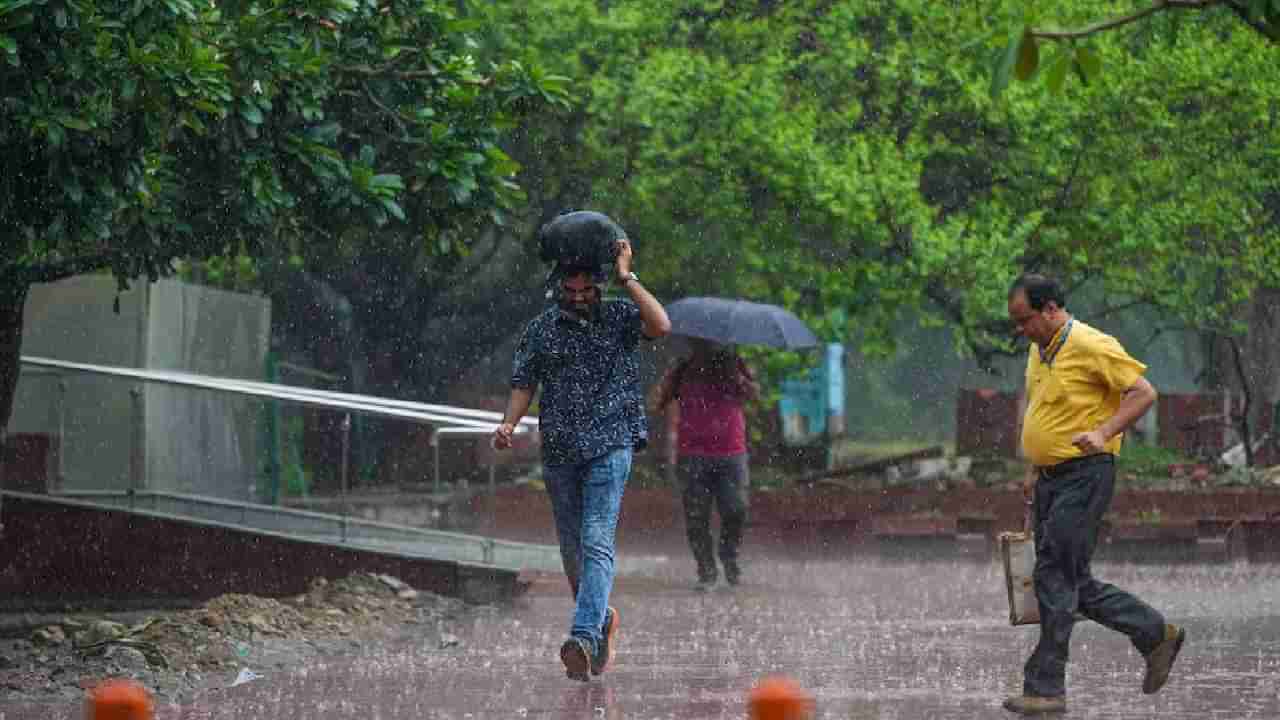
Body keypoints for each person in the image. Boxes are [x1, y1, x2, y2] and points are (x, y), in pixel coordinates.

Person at [493, 222, 670, 682]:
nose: (577, 296)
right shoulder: (541, 329)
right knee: (572, 549)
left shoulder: (620, 317)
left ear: (599, 285)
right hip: (560, 448)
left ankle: (584, 635)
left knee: (596, 539)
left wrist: (628, 276)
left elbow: (661, 324)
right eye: (568, 289)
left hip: (611, 442)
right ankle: (601, 620)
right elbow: (523, 382)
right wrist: (509, 423)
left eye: (585, 288)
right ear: (557, 287)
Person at [1002, 273, 1186, 715]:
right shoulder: (1037, 350)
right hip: (1051, 477)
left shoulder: (1091, 344)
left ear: (1050, 309)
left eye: (1024, 318)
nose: (1019, 329)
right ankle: (1155, 633)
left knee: (1053, 574)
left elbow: (1143, 393)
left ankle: (1045, 687)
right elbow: (1046, 410)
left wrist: (1104, 431)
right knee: (1070, 581)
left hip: (1085, 475)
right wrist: (1034, 465)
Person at [651, 338, 757, 590]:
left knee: (737, 509)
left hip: (731, 452)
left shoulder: (736, 364)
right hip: (693, 454)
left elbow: (754, 395)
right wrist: (670, 380)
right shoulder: (683, 368)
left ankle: (728, 555)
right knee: (696, 516)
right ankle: (706, 570)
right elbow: (656, 403)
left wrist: (738, 378)